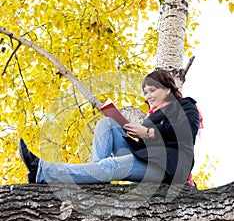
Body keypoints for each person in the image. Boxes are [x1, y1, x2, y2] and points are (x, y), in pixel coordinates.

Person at [19, 69, 200, 185]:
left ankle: (42, 171)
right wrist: (131, 130)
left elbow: (187, 132)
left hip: (168, 167)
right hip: (147, 159)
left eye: (152, 90)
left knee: (110, 165)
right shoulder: (152, 116)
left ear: (168, 89)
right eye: (145, 92)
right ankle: (97, 179)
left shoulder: (185, 105)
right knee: (108, 124)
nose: (148, 96)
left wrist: (147, 132)